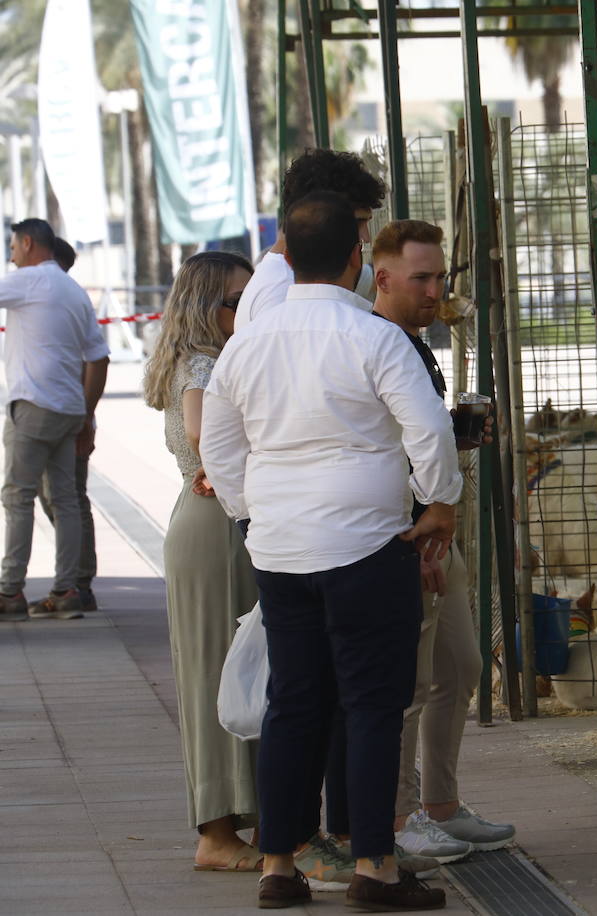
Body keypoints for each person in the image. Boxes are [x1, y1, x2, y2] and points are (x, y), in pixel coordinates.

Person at [200, 191, 460, 912]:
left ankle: (278, 864)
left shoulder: (249, 340)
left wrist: (250, 514)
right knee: (372, 704)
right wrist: (440, 502)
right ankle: (374, 866)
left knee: (294, 703)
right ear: (356, 258)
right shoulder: (372, 337)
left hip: (280, 549)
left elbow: (218, 445)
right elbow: (428, 430)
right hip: (367, 543)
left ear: (286, 254)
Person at [370, 220, 515, 858]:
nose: (436, 293)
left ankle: (440, 804)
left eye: (441, 278)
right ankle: (399, 818)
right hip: (408, 527)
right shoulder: (375, 342)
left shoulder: (415, 343)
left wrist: (454, 433)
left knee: (460, 663)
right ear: (382, 278)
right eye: (422, 279)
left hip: (436, 520)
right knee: (410, 682)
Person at [143, 251, 262, 872]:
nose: (247, 310)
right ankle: (217, 835)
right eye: (236, 300)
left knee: (238, 673)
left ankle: (244, 820)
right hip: (214, 530)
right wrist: (227, 465)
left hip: (216, 526)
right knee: (219, 676)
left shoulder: (214, 358)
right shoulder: (200, 363)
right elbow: (198, 431)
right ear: (204, 305)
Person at [0, 219, 109, 621]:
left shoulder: (29, 280)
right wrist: (87, 413)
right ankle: (67, 590)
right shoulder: (74, 290)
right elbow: (98, 357)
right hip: (68, 409)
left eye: (12, 248)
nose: (11, 256)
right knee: (65, 501)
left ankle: (9, 590)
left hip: (33, 405)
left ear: (28, 244)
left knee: (17, 496)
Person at [235, 148, 385, 332]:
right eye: (358, 222)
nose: (366, 238)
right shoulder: (283, 289)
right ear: (318, 211)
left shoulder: (293, 278)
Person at [37, 237, 98, 612]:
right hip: (59, 411)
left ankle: (79, 581)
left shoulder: (69, 301)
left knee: (69, 498)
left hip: (69, 414)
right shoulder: (59, 300)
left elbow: (95, 360)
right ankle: (74, 577)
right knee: (57, 496)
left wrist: (87, 417)